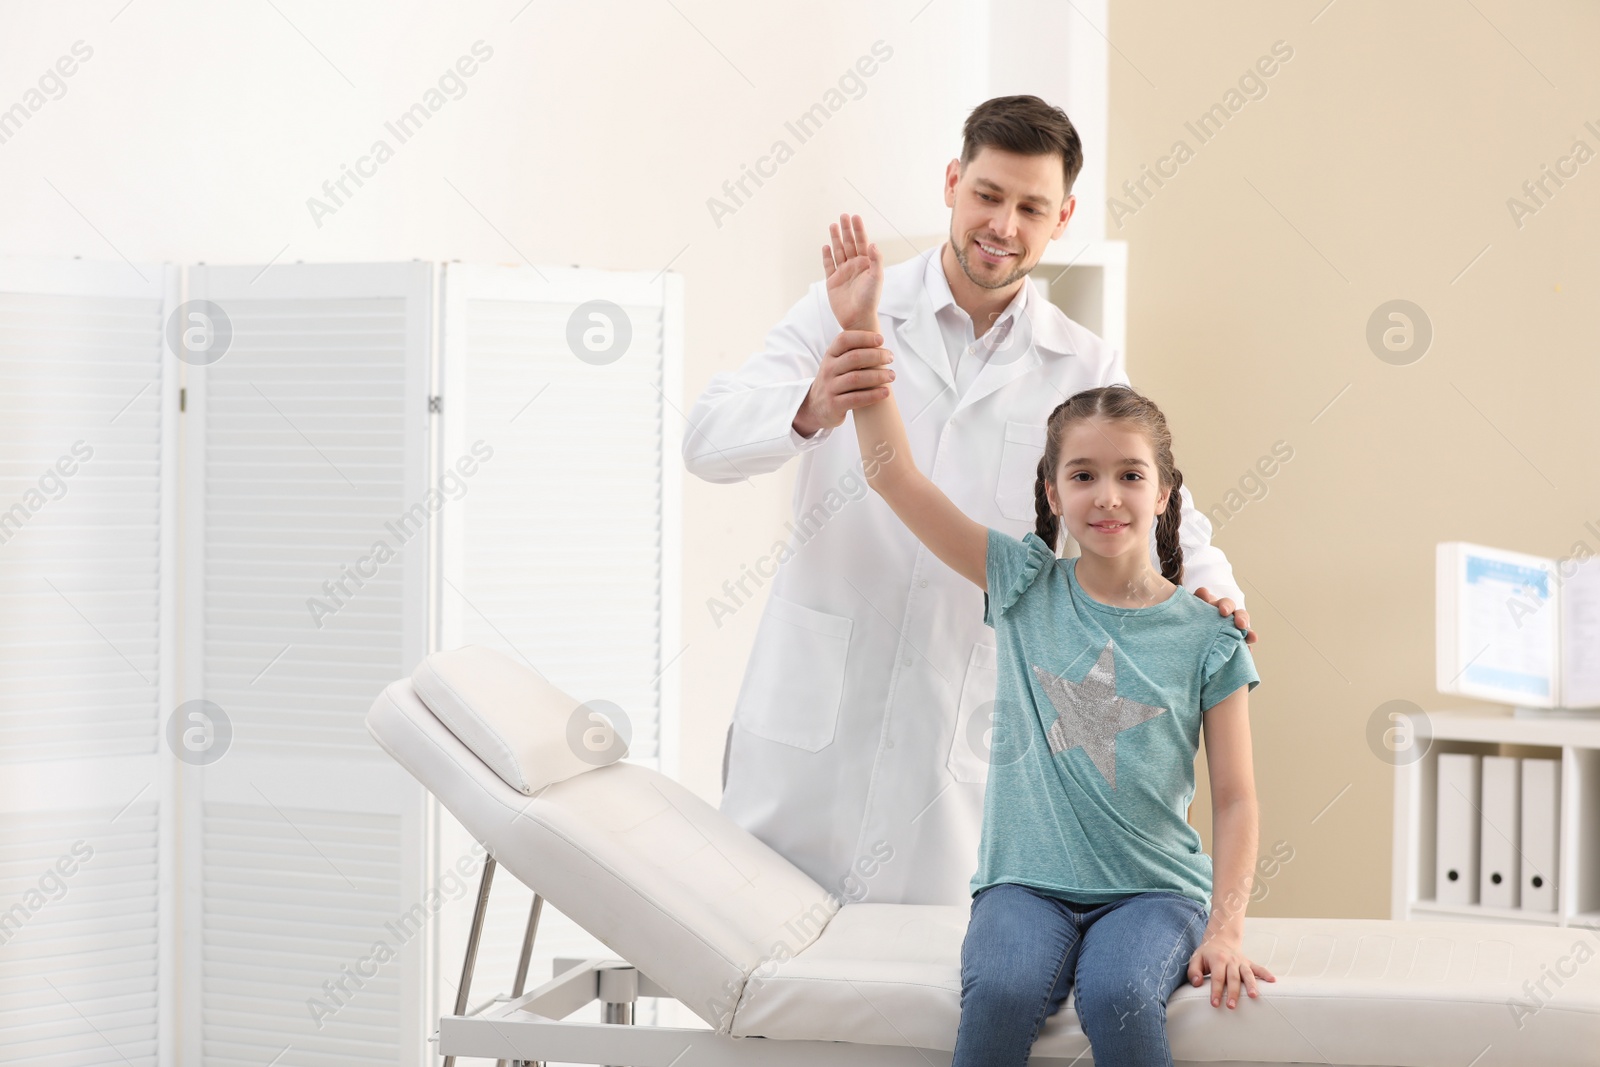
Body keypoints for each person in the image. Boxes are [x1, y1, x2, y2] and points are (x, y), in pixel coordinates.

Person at [683, 94, 1255, 906]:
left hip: (959, 714)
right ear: (953, 182)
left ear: (1062, 218)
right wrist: (810, 405)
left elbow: (1160, 501)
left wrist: (1214, 590)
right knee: (761, 963)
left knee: (927, 988)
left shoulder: (1080, 363)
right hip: (815, 706)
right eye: (988, 194)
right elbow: (705, 439)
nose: (1003, 225)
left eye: (1031, 207)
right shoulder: (846, 307)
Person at [827, 215, 1276, 1065]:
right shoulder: (1024, 585)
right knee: (996, 993)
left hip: (1151, 893)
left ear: (1167, 491)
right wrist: (857, 324)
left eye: (1130, 475)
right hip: (1022, 888)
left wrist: (1227, 926)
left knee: (1117, 994)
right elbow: (893, 474)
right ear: (1052, 490)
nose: (1107, 496)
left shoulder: (1209, 635)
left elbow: (1237, 798)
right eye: (1083, 475)